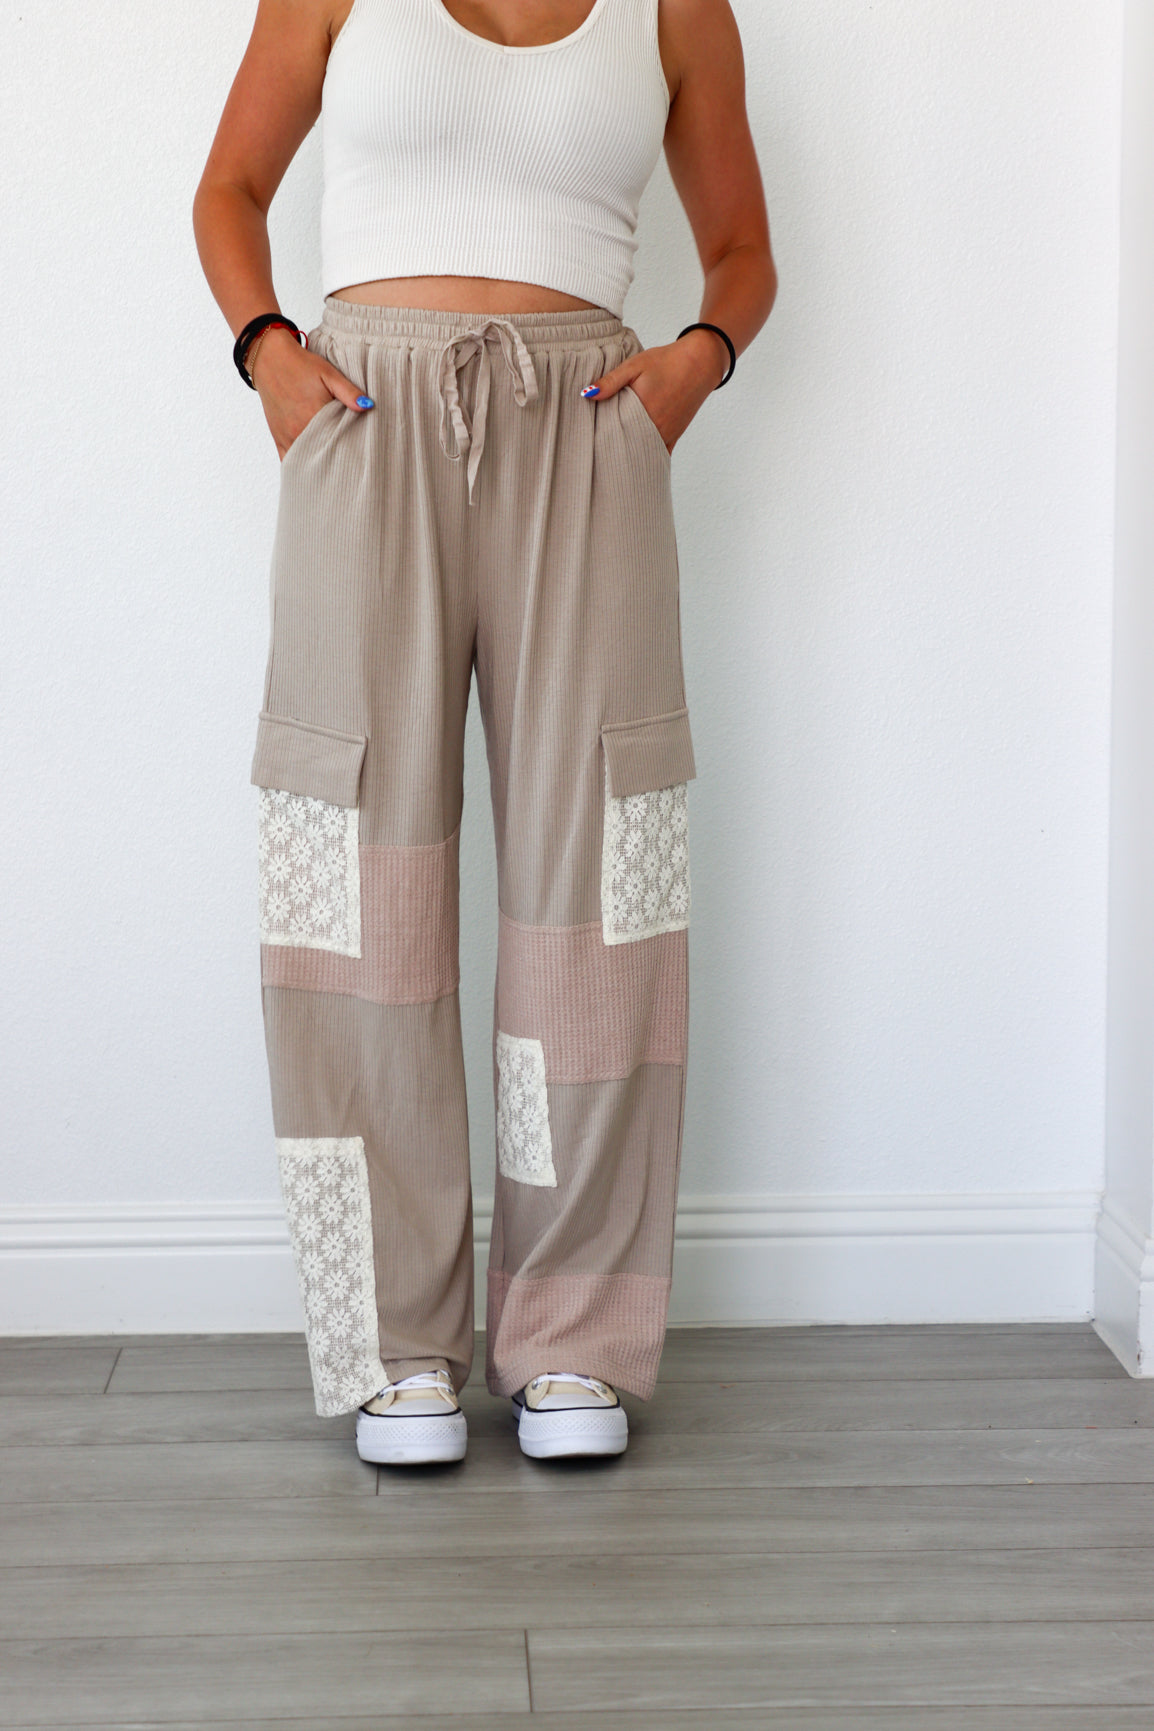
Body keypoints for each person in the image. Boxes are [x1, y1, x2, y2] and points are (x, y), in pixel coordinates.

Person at [192, 0, 775, 1468]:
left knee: (597, 883)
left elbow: (743, 250)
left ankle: (569, 1336)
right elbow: (230, 188)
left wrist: (694, 361)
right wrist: (266, 349)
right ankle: (396, 1345)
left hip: (583, 417)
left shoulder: (674, 9)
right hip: (365, 415)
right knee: (356, 881)